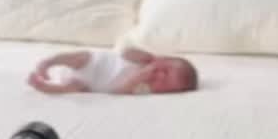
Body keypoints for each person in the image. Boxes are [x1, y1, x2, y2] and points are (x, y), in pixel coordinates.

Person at [28, 46, 199, 95]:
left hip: (93, 84)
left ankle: (45, 87)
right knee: (79, 57)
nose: (160, 77)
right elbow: (125, 52)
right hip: (97, 63)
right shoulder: (145, 59)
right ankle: (49, 62)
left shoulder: (145, 88)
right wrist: (147, 58)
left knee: (73, 88)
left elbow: (121, 91)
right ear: (162, 59)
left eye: (166, 84)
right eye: (165, 70)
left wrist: (139, 78)